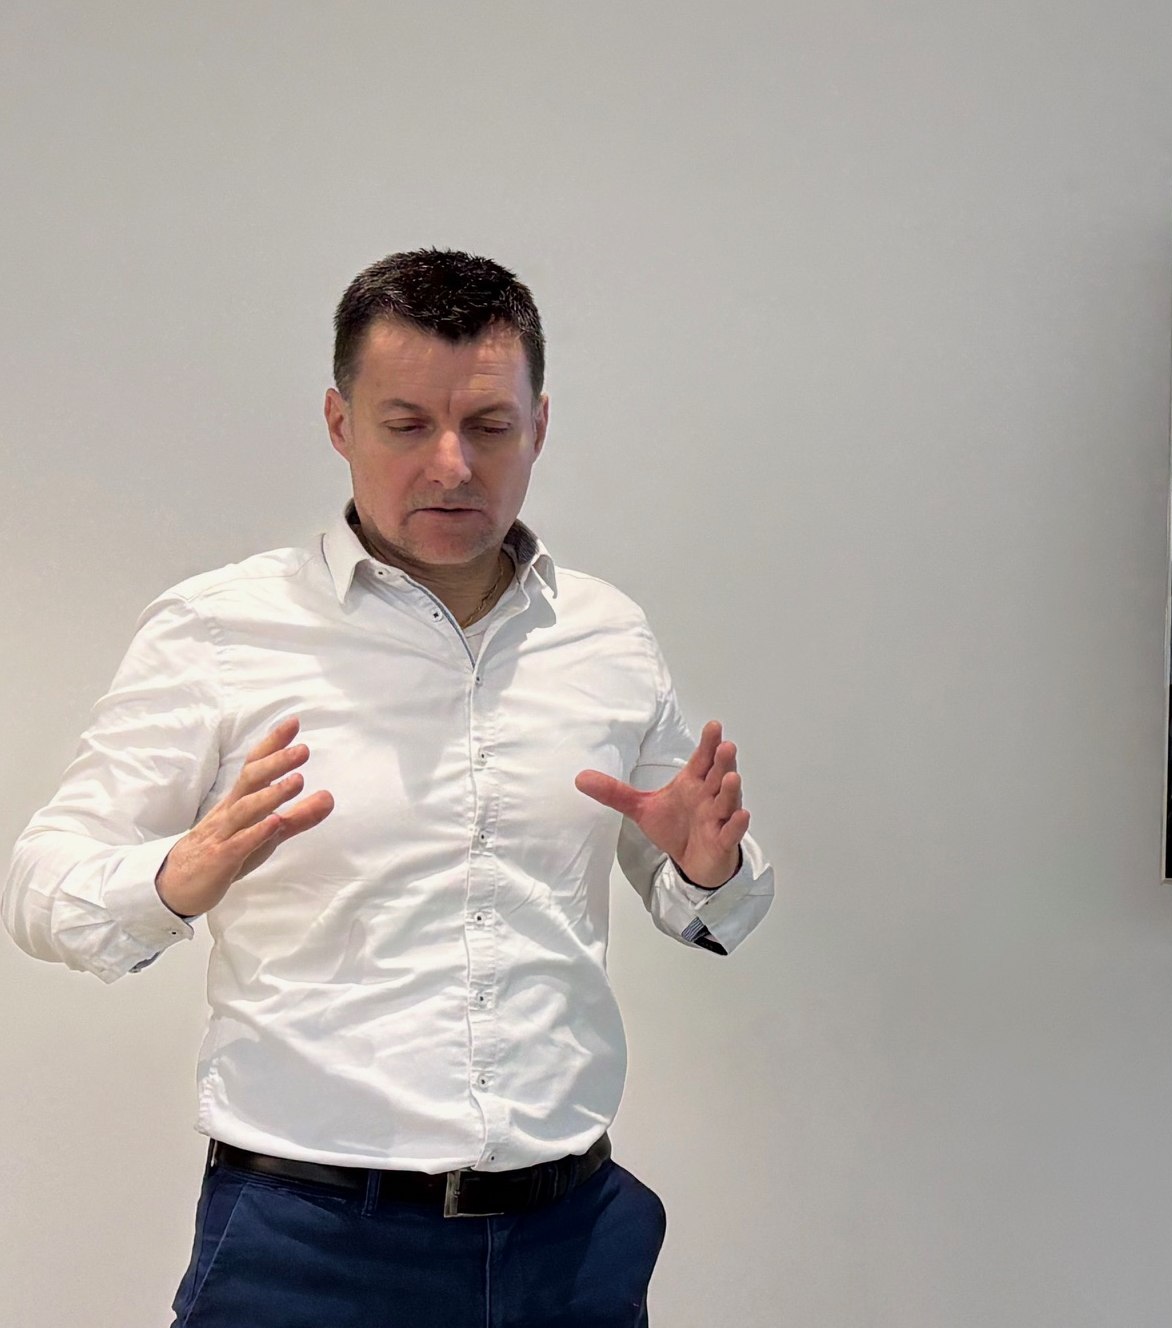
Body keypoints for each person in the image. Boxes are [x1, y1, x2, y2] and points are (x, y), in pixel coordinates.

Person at [2, 249, 776, 1327]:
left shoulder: (606, 634)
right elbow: (42, 888)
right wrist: (177, 875)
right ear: (339, 422)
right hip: (308, 1250)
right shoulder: (221, 629)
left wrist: (710, 867)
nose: (451, 465)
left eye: (489, 426)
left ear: (539, 426)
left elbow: (716, 910)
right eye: (406, 424)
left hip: (570, 1243)